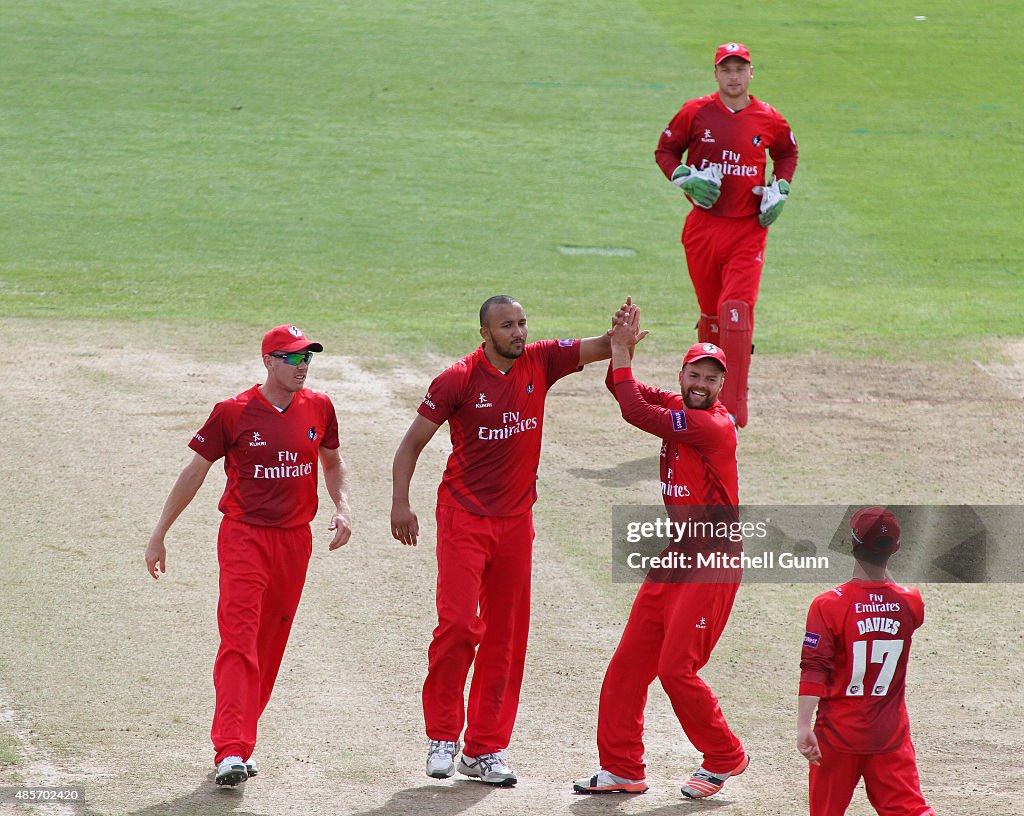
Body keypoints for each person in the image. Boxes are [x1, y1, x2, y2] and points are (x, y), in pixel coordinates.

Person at [390, 295, 619, 787]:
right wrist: (400, 502)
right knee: (456, 626)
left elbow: (600, 347)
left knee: (506, 637)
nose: (518, 332)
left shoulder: (540, 359)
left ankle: (484, 750)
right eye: (506, 326)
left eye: (521, 323)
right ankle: (443, 736)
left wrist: (620, 337)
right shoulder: (457, 379)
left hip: (516, 522)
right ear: (485, 334)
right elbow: (411, 444)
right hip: (463, 517)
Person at [145, 325, 352, 787]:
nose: (303, 367)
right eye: (293, 359)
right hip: (244, 538)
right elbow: (194, 472)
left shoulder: (320, 407)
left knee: (269, 645)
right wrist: (160, 532)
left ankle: (242, 739)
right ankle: (231, 749)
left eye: (308, 359)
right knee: (239, 639)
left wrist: (343, 508)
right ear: (268, 361)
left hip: (295, 542)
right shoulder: (232, 412)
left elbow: (333, 463)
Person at [574, 302, 748, 800]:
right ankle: (622, 768)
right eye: (695, 374)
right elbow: (619, 387)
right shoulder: (679, 404)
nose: (701, 384)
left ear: (721, 386)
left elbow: (631, 408)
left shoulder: (712, 425)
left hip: (714, 559)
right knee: (629, 665)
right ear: (684, 374)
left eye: (711, 379)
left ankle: (725, 756)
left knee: (675, 669)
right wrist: (618, 348)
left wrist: (622, 352)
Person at [655, 41, 798, 428]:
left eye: (740, 69)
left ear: (751, 74)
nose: (733, 76)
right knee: (710, 316)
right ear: (716, 74)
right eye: (726, 69)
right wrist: (683, 177)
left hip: (748, 229)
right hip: (703, 227)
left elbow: (786, 154)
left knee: (734, 311)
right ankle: (701, 401)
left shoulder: (768, 117)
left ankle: (733, 408)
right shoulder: (695, 112)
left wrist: (780, 188)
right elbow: (666, 151)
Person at [797, 508, 935, 815]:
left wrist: (803, 725)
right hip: (890, 735)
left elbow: (814, 667)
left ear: (851, 545)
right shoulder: (911, 601)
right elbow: (894, 592)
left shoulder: (827, 604)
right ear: (896, 549)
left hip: (836, 736)